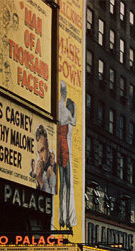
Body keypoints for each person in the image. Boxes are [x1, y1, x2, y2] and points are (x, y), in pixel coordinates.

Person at [58, 80, 77, 229]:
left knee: (64, 185)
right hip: (64, 149)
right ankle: (65, 219)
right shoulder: (68, 115)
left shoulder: (60, 109)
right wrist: (74, 109)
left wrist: (63, 86)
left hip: (60, 148)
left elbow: (63, 92)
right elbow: (75, 121)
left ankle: (63, 218)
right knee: (66, 185)